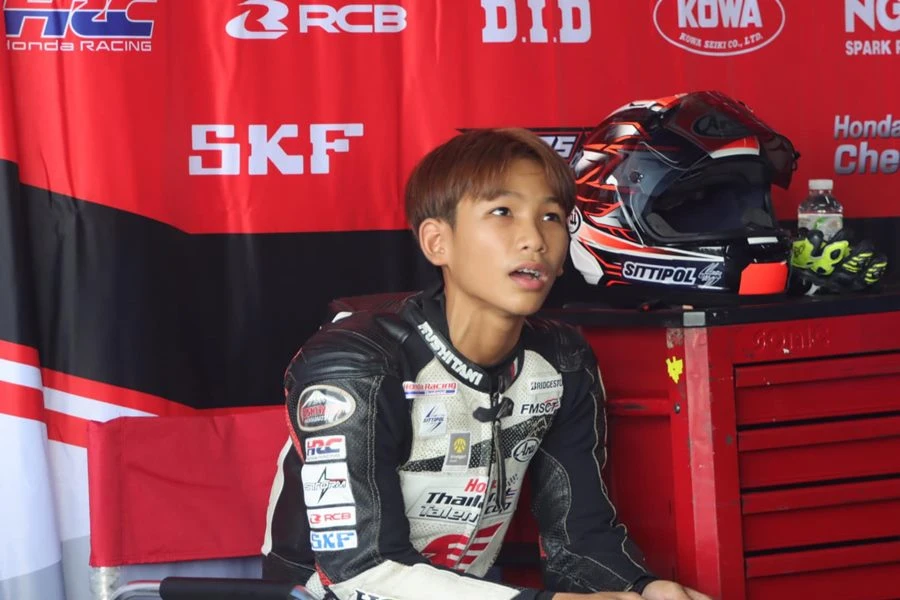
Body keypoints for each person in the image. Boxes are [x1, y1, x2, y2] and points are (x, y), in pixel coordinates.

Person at [262, 128, 713, 600]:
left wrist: (645, 588)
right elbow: (360, 572)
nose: (534, 239)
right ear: (437, 242)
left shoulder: (561, 359)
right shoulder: (355, 362)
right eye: (502, 212)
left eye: (551, 217)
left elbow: (579, 542)